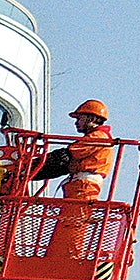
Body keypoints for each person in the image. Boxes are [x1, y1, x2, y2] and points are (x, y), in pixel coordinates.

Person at [37, 99, 115, 258]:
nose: (76, 123)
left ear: (92, 119)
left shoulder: (97, 137)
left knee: (72, 225)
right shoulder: (98, 137)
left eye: (79, 118)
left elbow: (66, 156)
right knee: (69, 224)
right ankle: (62, 256)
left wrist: (32, 166)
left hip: (83, 187)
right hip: (80, 186)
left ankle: (66, 258)